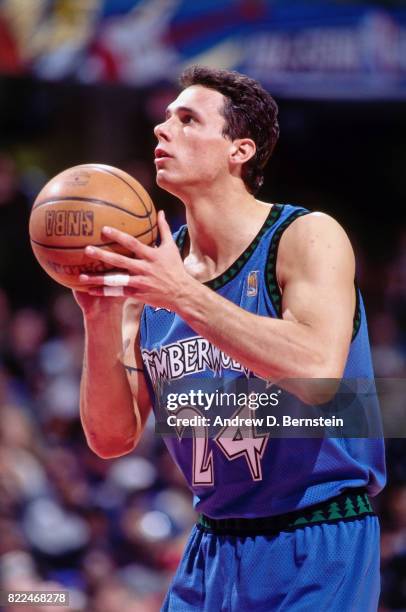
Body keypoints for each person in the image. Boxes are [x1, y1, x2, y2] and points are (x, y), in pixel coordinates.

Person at [74, 65, 386, 611]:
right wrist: (98, 318)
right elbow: (110, 438)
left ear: (239, 150)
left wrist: (181, 295)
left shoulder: (305, 236)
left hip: (316, 537)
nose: (162, 129)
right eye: (166, 117)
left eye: (188, 118)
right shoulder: (153, 272)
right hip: (213, 545)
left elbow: (316, 373)